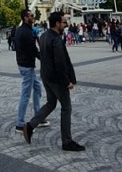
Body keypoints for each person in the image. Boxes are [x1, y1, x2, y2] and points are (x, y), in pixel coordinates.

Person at [23, 12, 84, 152]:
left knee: (51, 103)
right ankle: (67, 141)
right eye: (63, 22)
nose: (66, 24)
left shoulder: (44, 36)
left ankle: (31, 126)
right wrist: (67, 81)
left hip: (46, 75)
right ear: (57, 24)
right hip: (57, 78)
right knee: (66, 107)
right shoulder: (56, 40)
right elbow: (60, 63)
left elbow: (43, 56)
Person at [14, 9, 49, 133]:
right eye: (31, 16)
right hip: (27, 66)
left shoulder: (20, 30)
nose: (33, 17)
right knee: (26, 94)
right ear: (25, 17)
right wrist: (44, 59)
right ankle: (20, 123)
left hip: (23, 64)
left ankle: (38, 117)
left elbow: (16, 47)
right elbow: (33, 50)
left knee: (38, 88)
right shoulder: (27, 32)